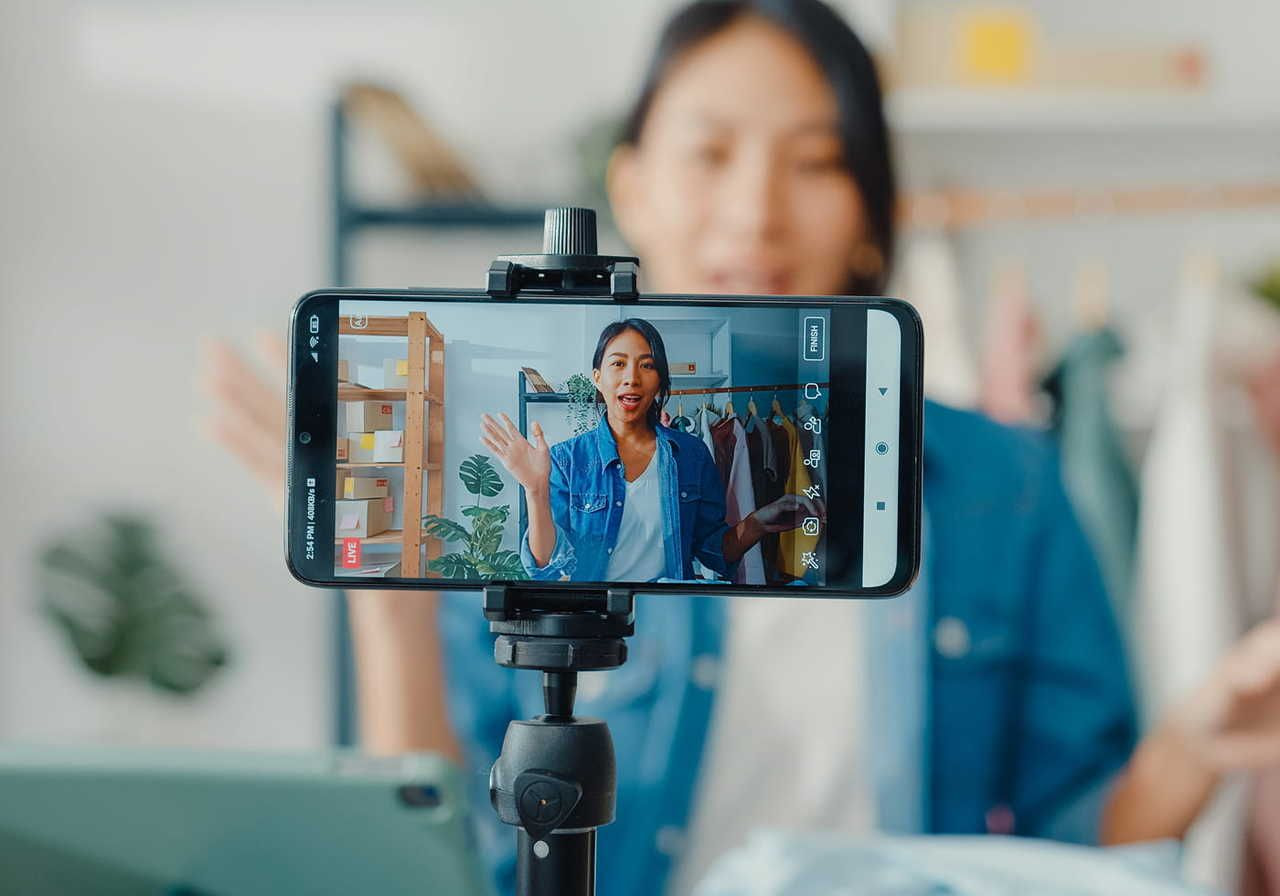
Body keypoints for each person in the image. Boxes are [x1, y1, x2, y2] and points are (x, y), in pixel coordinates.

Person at [203, 2, 1280, 894]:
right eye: (711, 153)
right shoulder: (562, 481)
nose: (756, 209)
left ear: (871, 212)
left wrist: (1191, 746)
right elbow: (447, 863)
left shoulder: (1009, 487)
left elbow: (1064, 854)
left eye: (815, 161)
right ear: (632, 186)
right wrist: (387, 604)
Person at [482, 318, 821, 582]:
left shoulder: (692, 455)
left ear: (659, 380)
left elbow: (714, 551)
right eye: (618, 364)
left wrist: (758, 523)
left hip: (669, 617)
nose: (632, 378)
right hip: (594, 618)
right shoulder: (566, 461)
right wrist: (536, 490)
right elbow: (545, 566)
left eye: (646, 365)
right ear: (597, 377)